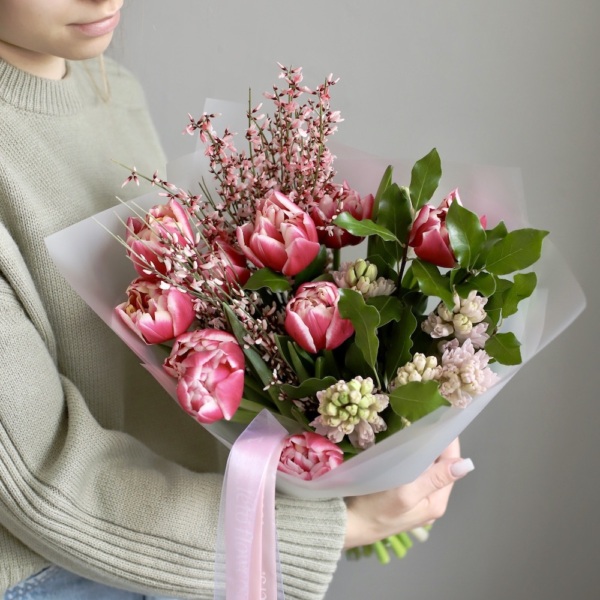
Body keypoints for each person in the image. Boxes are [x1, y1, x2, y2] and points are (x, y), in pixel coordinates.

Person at [0, 1, 475, 598]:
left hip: (182, 544)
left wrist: (356, 447)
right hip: (58, 575)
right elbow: (41, 481)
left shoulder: (112, 89)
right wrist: (340, 525)